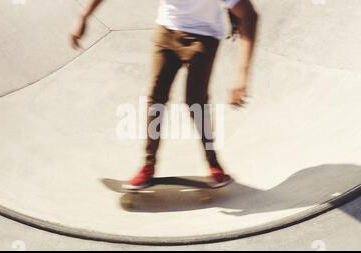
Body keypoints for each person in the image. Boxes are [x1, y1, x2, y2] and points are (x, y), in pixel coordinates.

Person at [71, 0, 257, 189]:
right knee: (155, 98)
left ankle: (213, 161)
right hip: (166, 31)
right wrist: (83, 17)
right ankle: (148, 166)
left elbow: (249, 14)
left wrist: (242, 74)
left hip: (204, 36)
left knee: (195, 102)